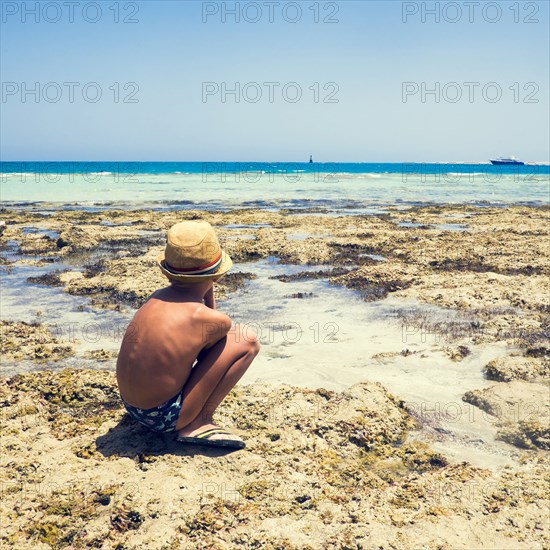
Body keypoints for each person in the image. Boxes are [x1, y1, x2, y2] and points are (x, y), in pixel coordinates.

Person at [116, 220, 260, 449]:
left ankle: (191, 416)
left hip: (132, 407)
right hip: (163, 417)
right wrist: (209, 282)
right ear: (217, 274)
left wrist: (206, 280)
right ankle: (199, 422)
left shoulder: (156, 297)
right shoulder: (210, 319)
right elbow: (214, 343)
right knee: (247, 339)